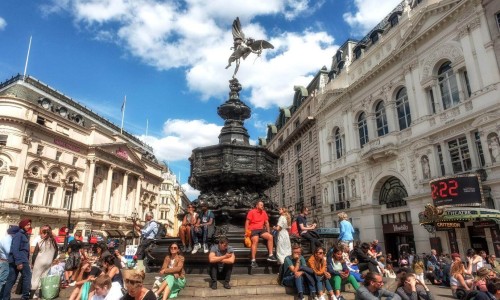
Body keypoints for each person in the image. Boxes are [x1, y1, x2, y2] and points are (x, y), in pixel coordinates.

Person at [3, 218, 32, 300]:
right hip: (21, 259)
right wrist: (19, 262)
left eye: (29, 224)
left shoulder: (23, 234)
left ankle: (5, 297)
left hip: (17, 259)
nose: (29, 226)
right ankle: (25, 297)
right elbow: (15, 249)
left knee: (11, 280)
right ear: (22, 225)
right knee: (27, 277)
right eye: (27, 225)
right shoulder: (19, 235)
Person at [245, 200, 278, 268]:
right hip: (253, 229)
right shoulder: (251, 212)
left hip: (261, 229)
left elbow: (266, 223)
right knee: (255, 240)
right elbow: (247, 222)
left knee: (270, 237)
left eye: (263, 205)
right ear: (257, 206)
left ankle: (270, 255)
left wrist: (268, 231)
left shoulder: (264, 212)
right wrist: (246, 232)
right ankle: (253, 260)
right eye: (261, 205)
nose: (262, 206)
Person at [30, 224, 58, 298]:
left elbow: (35, 254)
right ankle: (41, 295)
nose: (41, 235)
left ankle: (31, 295)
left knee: (35, 278)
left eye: (42, 233)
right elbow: (56, 253)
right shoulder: (53, 242)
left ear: (45, 234)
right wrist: (51, 259)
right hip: (48, 262)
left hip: (39, 261)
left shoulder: (40, 242)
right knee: (43, 277)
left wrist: (32, 263)